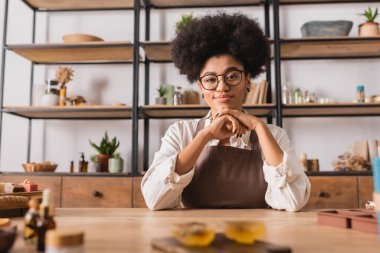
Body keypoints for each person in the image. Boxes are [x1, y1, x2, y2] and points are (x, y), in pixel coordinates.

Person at [141, 12, 310, 211]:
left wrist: (258, 126)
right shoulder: (180, 133)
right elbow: (154, 200)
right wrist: (205, 135)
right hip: (195, 236)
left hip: (256, 236)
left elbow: (293, 202)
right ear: (200, 86)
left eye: (231, 76)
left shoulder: (273, 135)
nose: (222, 87)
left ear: (247, 79)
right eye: (211, 79)